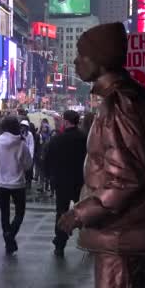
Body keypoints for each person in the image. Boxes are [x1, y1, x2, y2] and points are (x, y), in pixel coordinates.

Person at [57, 22, 145, 288]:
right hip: (131, 227)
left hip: (121, 228)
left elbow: (126, 180)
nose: (76, 62)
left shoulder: (119, 104)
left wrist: (79, 213)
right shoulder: (133, 97)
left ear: (101, 60)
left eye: (82, 55)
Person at [45, 110, 87, 257]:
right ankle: (87, 239)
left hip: (61, 182)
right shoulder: (84, 138)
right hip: (80, 181)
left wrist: (49, 176)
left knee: (61, 212)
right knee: (83, 210)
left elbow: (47, 158)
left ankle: (60, 243)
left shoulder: (57, 139)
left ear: (66, 121)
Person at [0, 117, 33, 254]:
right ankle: (11, 235)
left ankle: (8, 240)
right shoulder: (21, 144)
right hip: (17, 183)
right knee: (19, 212)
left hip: (0, 182)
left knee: (5, 213)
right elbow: (28, 165)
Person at [19, 120, 35, 190]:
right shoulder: (19, 134)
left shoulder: (30, 134)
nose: (23, 127)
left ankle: (29, 182)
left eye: (24, 126)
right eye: (22, 126)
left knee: (28, 170)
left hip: (27, 154)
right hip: (20, 154)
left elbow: (31, 145)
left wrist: (31, 156)